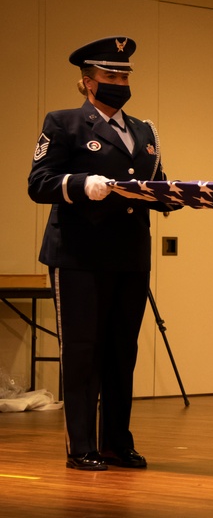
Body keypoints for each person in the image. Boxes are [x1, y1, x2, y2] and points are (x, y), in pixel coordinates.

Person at [28, 36, 176, 471]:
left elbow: (154, 180)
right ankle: (81, 446)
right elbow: (39, 183)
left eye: (125, 75)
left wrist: (171, 195)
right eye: (111, 75)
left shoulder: (145, 131)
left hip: (129, 255)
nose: (121, 82)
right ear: (89, 83)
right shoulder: (64, 123)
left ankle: (116, 441)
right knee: (82, 351)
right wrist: (79, 185)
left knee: (120, 351)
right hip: (79, 255)